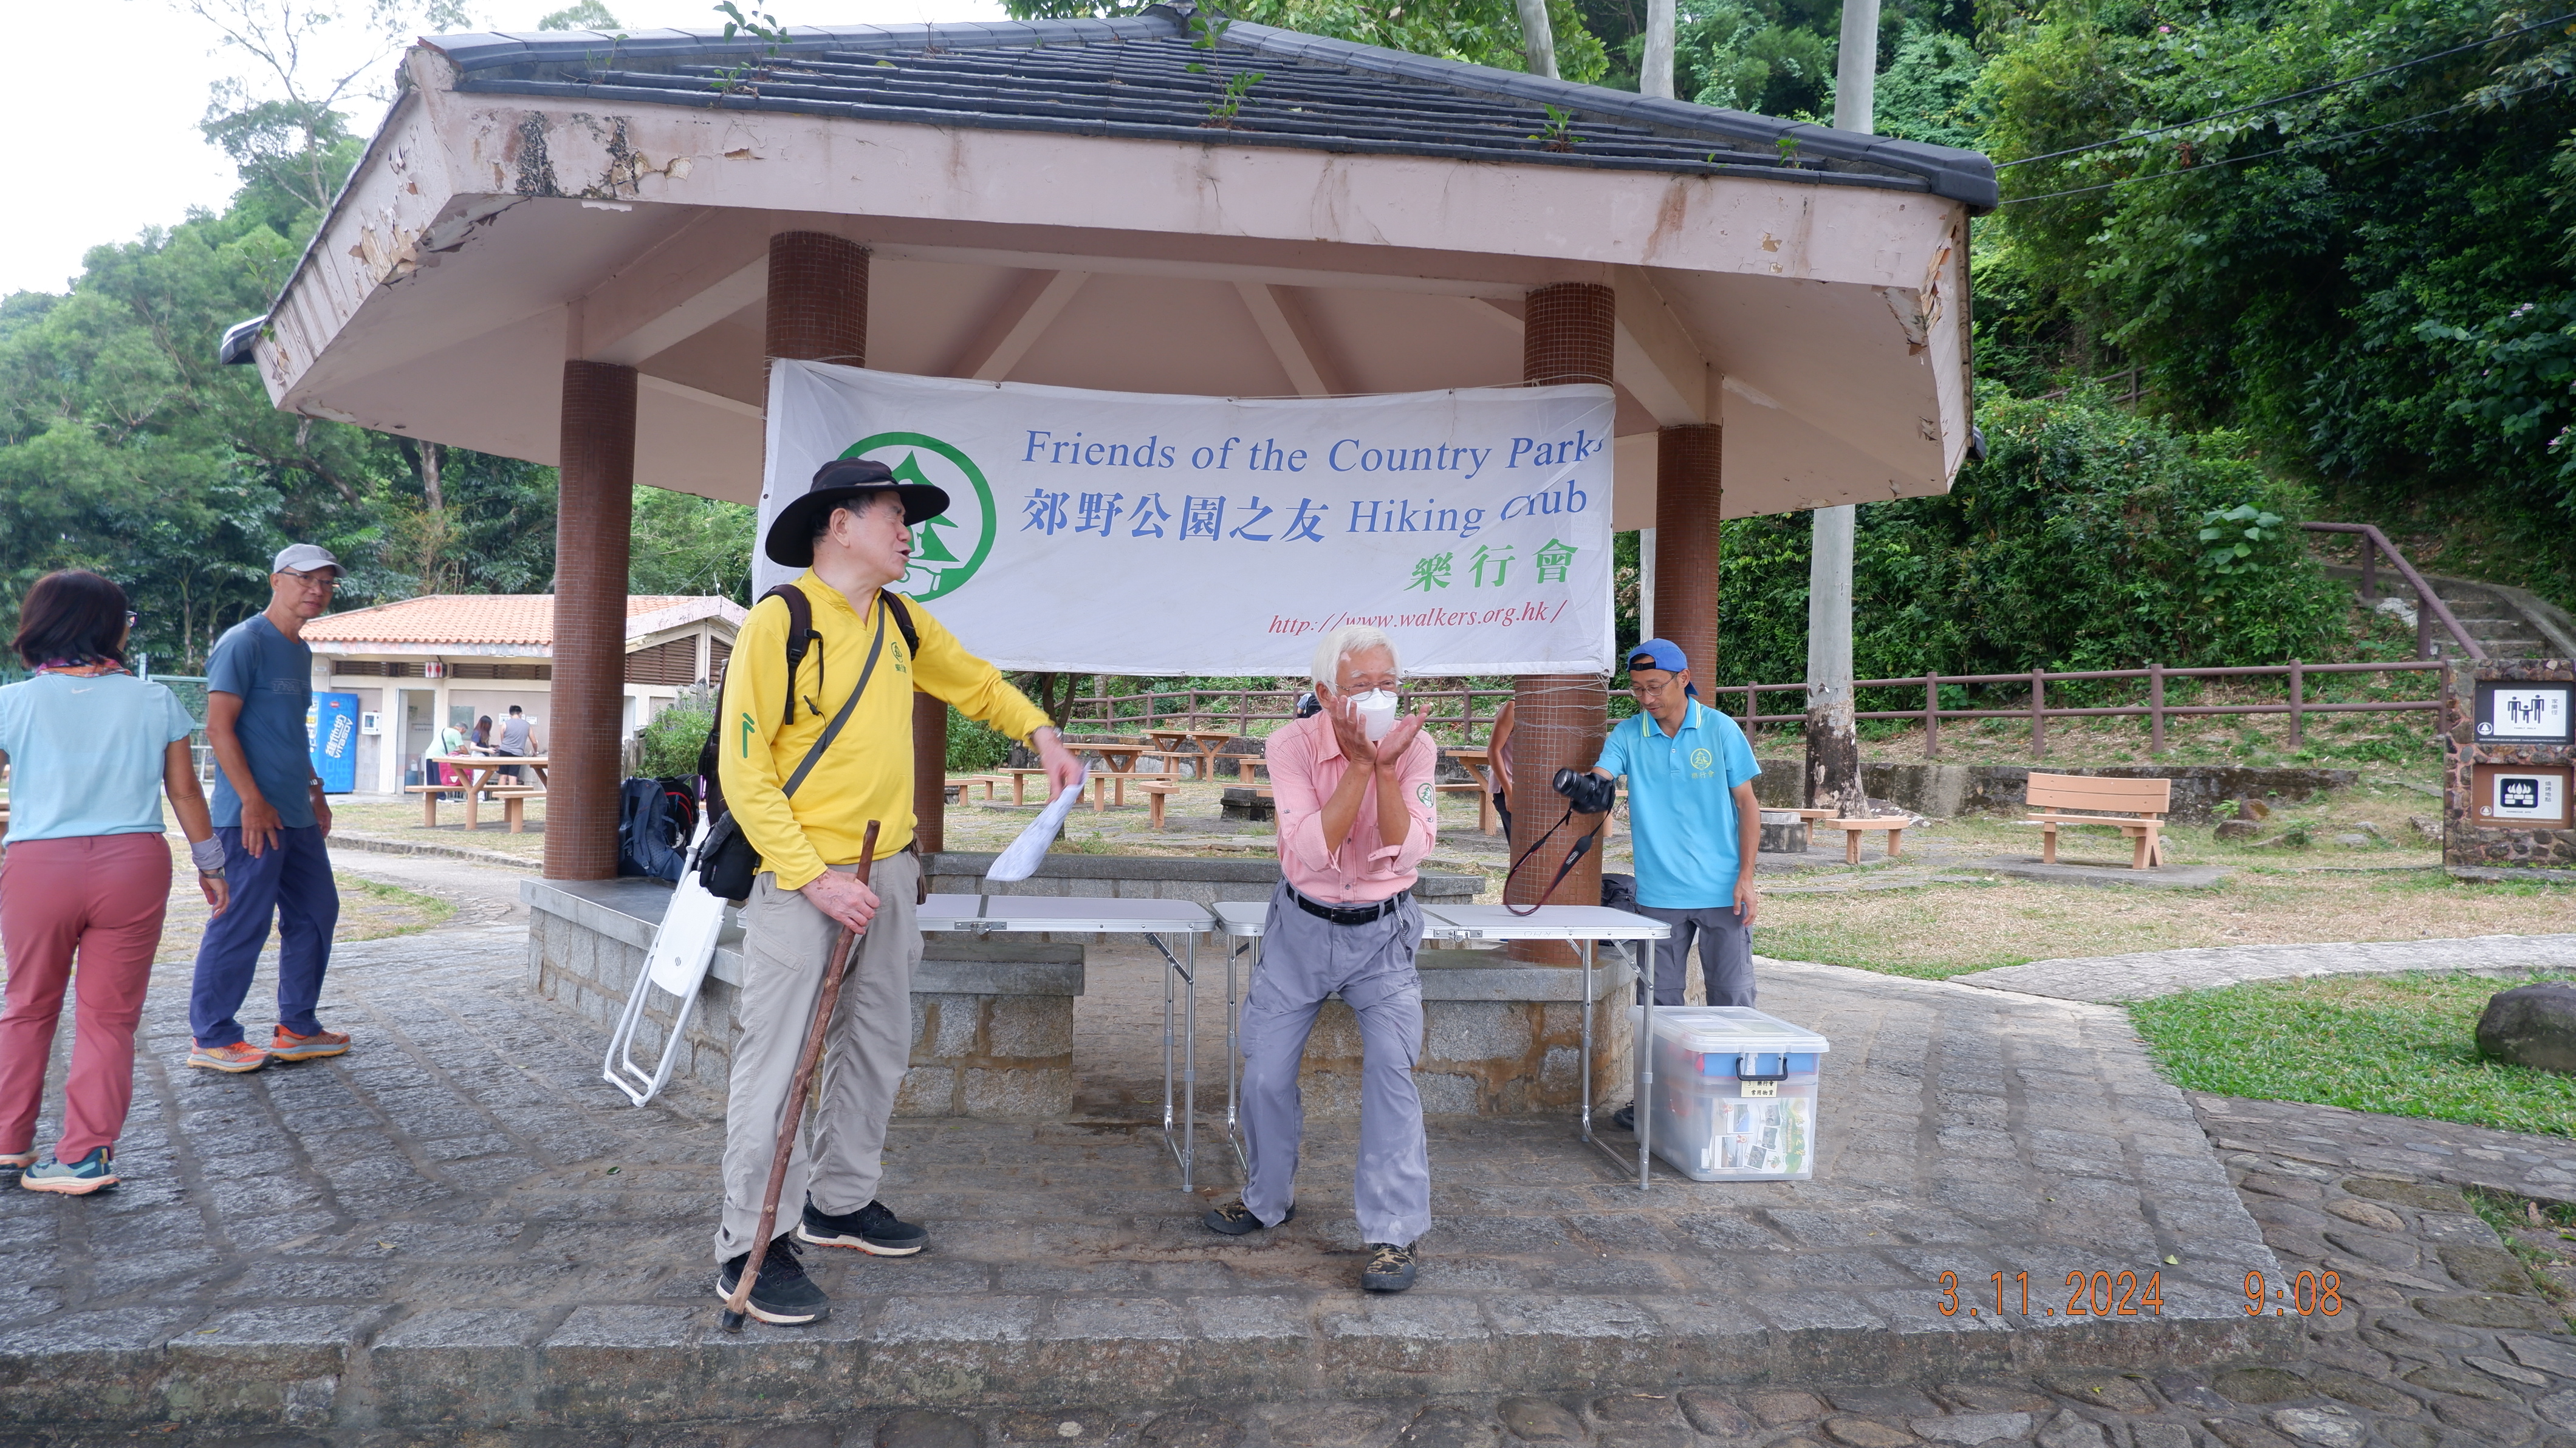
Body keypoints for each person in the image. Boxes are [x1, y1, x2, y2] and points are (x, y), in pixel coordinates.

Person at [713, 458, 1080, 1327]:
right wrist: (813, 877)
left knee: (876, 1045)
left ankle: (840, 1202)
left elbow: (975, 681)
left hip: (887, 870)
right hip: (801, 877)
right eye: (893, 515)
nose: (909, 534)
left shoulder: (901, 620)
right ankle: (749, 1244)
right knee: (779, 1065)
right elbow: (744, 769)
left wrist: (1041, 731)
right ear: (840, 525)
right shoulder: (782, 622)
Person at [1202, 624, 1437, 1294]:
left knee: (1393, 1071)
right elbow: (1309, 846)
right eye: (1361, 686)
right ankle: (1266, 1198)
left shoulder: (1416, 746)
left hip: (1383, 935)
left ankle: (1393, 1232)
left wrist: (1384, 766)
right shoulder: (1290, 745)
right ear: (1327, 694)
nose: (1378, 698)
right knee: (1264, 1075)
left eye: (1388, 684)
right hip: (1301, 931)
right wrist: (1360, 765)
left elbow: (1411, 845)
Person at [0, 571, 230, 1194]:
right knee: (109, 1017)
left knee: (26, 1005)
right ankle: (83, 1154)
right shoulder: (155, 701)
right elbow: (185, 792)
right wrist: (212, 865)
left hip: (38, 866)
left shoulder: (11, 702)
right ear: (107, 626)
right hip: (133, 864)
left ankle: (8, 1142)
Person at [185, 544, 350, 1074]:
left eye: (326, 583)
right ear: (276, 581)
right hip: (249, 817)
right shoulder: (244, 642)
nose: (317, 590)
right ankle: (212, 1036)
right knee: (242, 922)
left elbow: (290, 733)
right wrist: (252, 801)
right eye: (306, 579)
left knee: (316, 912)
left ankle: (297, 1028)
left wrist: (315, 791)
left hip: (295, 813)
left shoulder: (300, 650)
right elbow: (218, 728)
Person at [1586, 639, 1761, 1127]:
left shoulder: (1720, 730)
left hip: (1723, 891)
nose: (1646, 698)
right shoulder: (1628, 734)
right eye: (1637, 689)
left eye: (1655, 687)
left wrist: (1747, 877)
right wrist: (1589, 786)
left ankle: (1737, 1104)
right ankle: (1658, 1104)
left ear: (1683, 679)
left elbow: (1748, 805)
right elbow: (1603, 774)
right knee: (1659, 1007)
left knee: (1732, 998)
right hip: (1659, 896)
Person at [1486, 697, 1516, 838]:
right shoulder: (1513, 707)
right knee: (1521, 846)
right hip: (1509, 789)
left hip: (1534, 789)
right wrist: (1509, 792)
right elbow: (1493, 750)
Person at [496, 704, 538, 784]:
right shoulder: (527, 725)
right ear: (521, 713)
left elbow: (503, 740)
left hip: (504, 751)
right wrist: (535, 751)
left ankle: (501, 792)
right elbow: (534, 742)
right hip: (517, 753)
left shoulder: (505, 724)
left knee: (503, 775)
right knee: (513, 776)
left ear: (510, 714)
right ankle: (513, 793)